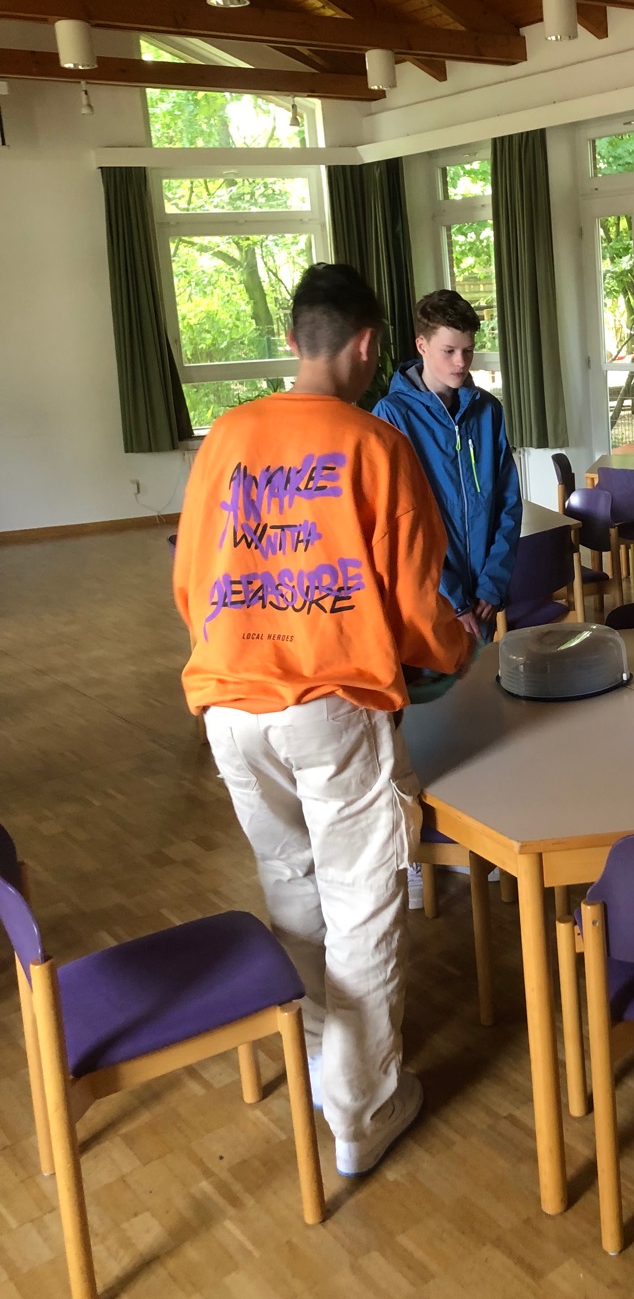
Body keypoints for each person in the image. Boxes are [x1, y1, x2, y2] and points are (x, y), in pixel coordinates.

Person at [173, 263, 473, 1180]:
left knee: (292, 888)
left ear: (294, 337)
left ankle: (321, 1061)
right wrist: (455, 647)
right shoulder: (376, 446)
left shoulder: (226, 436)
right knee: (363, 901)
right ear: (369, 343)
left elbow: (189, 583)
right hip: (330, 707)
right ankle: (362, 1112)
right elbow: (415, 607)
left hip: (230, 705)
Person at [373, 290, 521, 643]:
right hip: (428, 601)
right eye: (449, 351)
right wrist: (453, 597)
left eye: (468, 350)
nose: (461, 362)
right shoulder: (392, 415)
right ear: (422, 345)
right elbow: (400, 523)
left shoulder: (488, 410)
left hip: (483, 601)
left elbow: (508, 503)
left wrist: (491, 585)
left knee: (479, 677)